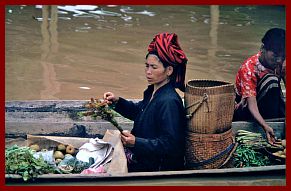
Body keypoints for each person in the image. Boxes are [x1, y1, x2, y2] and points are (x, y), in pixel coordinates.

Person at [103, 32, 188, 172]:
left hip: (157, 167)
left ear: (169, 70)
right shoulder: (153, 92)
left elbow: (170, 144)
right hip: (143, 157)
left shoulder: (169, 101)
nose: (148, 72)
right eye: (146, 66)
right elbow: (139, 111)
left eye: (154, 67)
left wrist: (136, 142)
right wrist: (117, 102)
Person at [233, 28, 286, 145]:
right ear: (263, 49)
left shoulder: (280, 62)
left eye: (283, 57)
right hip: (247, 109)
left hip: (269, 103)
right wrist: (265, 126)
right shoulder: (248, 68)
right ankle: (270, 121)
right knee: (271, 80)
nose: (279, 60)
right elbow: (251, 103)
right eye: (276, 55)